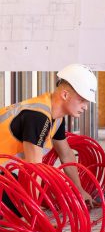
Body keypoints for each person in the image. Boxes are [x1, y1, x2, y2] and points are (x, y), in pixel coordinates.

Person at [0, 64, 98, 212]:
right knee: (18, 203)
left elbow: (66, 154)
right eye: (82, 100)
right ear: (65, 95)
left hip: (3, 172)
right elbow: (34, 169)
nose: (85, 107)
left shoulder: (55, 117)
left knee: (31, 193)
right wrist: (36, 218)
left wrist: (79, 190)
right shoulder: (38, 117)